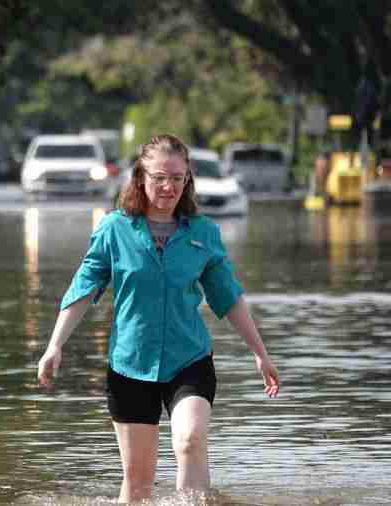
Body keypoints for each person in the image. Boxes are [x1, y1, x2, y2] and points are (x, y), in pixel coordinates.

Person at [36, 134, 280, 503]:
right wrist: (54, 346)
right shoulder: (114, 230)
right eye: (160, 177)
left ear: (188, 181)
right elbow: (83, 289)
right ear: (140, 177)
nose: (169, 187)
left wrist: (260, 352)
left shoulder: (202, 234)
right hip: (130, 366)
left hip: (190, 360)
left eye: (178, 178)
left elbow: (228, 297)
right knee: (137, 484)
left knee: (190, 439)